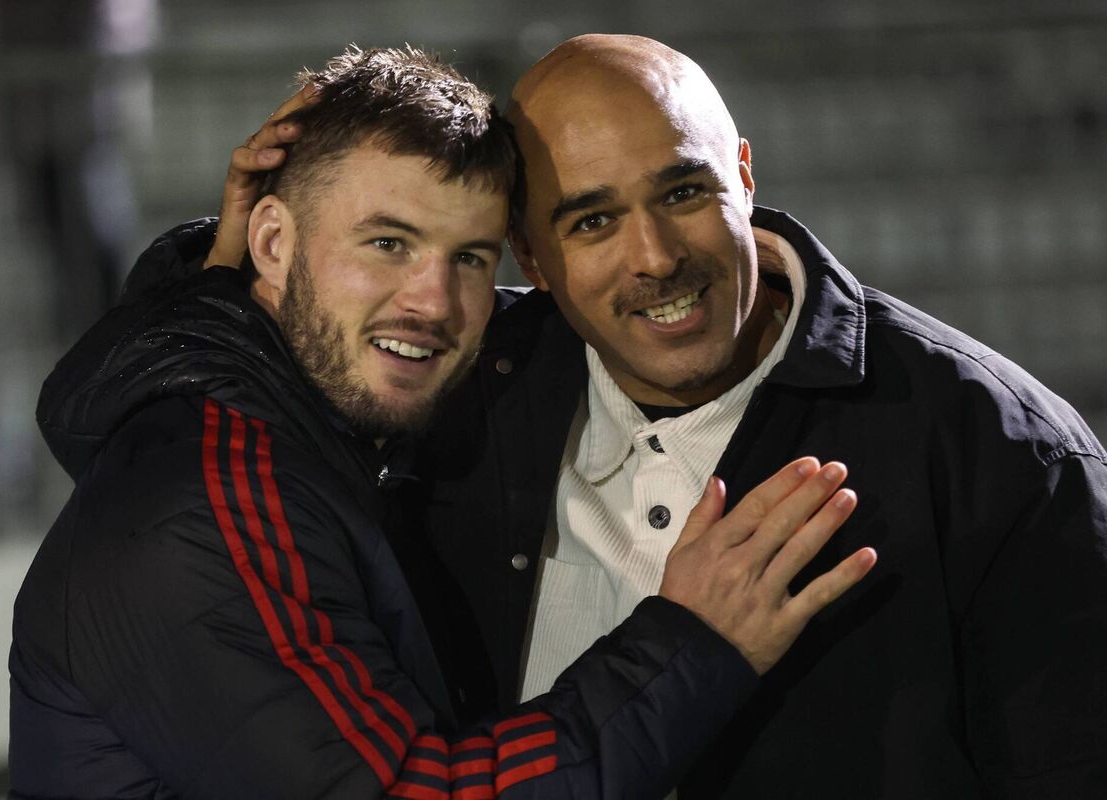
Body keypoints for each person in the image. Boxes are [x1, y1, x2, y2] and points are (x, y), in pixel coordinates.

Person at [206, 35, 1107, 799]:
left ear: (744, 176)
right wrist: (217, 277)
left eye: (683, 193)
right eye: (592, 222)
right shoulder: (456, 381)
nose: (655, 258)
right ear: (532, 253)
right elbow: (177, 420)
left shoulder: (1004, 452)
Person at [8, 47, 875, 799]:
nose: (435, 302)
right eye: (388, 243)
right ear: (272, 245)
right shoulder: (203, 503)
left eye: (468, 258)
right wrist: (694, 644)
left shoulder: (299, 424)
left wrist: (215, 272)